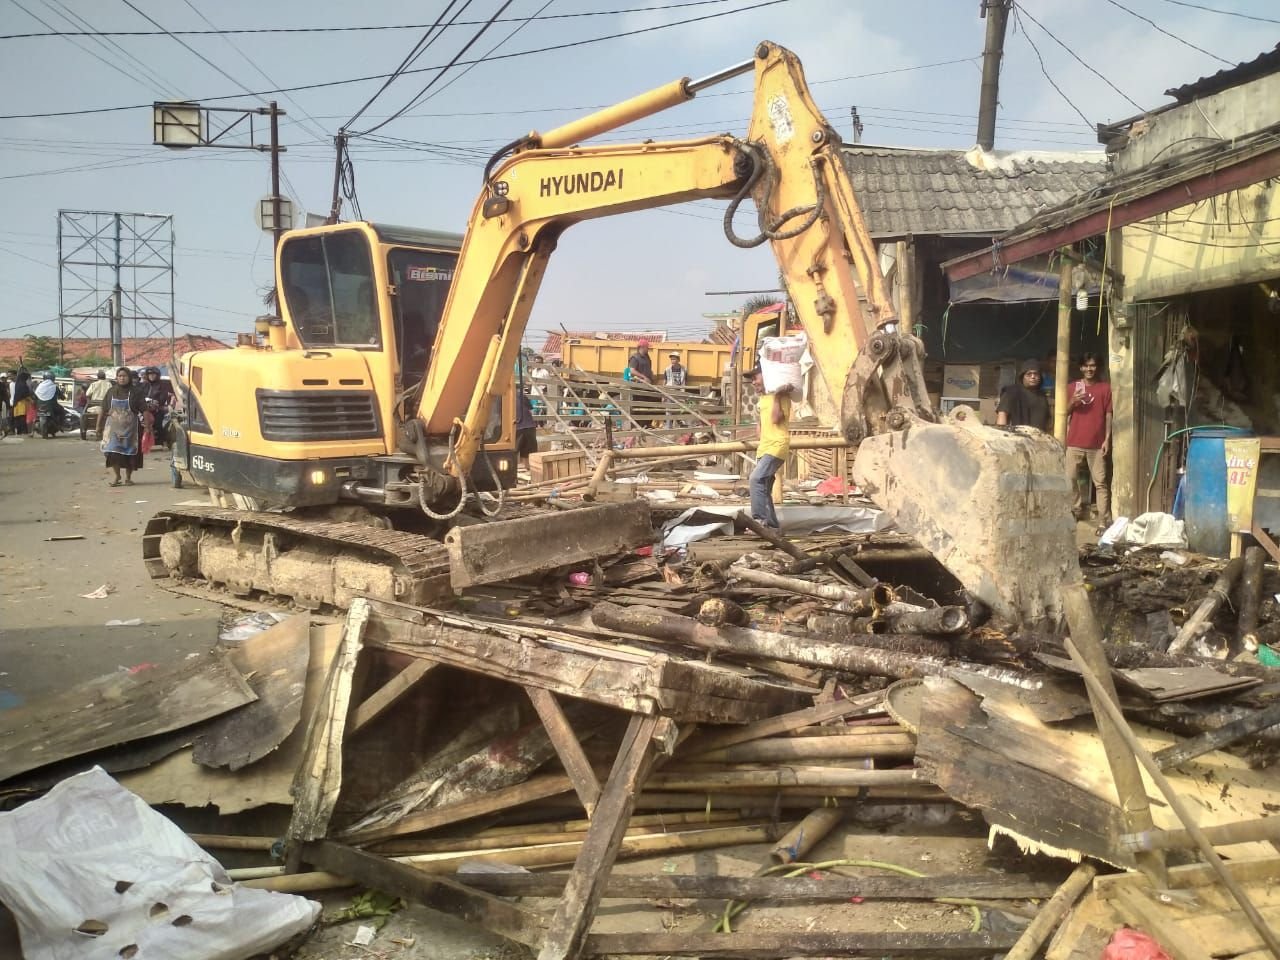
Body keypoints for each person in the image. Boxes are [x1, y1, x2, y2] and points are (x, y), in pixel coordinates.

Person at [1065, 351, 1113, 533]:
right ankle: (1076, 509)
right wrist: (1073, 401)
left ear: (1097, 367)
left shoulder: (1105, 388)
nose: (1089, 369)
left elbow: (1108, 415)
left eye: (1092, 365)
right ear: (1081, 368)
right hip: (1074, 442)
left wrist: (1107, 439)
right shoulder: (1072, 387)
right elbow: (1066, 412)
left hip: (1097, 444)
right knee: (1069, 478)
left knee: (1100, 482)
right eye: (1086, 366)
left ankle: (1103, 520)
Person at [744, 365, 792, 530]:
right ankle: (772, 527)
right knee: (763, 487)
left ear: (767, 376)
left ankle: (759, 521)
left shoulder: (782, 397)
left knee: (755, 479)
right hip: (764, 448)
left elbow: (776, 419)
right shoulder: (762, 399)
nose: (753, 382)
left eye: (755, 378)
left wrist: (778, 395)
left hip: (777, 445)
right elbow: (761, 427)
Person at [101, 366, 145, 486]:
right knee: (112, 452)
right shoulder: (111, 391)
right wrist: (98, 427)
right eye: (120, 376)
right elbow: (103, 409)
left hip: (131, 429)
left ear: (129, 378)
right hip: (113, 430)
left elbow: (144, 409)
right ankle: (117, 476)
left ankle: (128, 478)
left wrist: (149, 426)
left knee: (129, 454)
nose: (122, 378)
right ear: (116, 378)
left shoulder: (136, 392)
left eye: (124, 376)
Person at [996, 359, 1049, 431]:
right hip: (1016, 437)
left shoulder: (1042, 396)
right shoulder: (1011, 392)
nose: (1033, 377)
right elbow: (1002, 414)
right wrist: (1001, 434)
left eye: (1036, 374)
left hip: (1039, 438)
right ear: (1022, 376)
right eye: (1029, 374)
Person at [141, 366, 175, 450]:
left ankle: (163, 441)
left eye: (153, 374)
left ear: (157, 375)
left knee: (159, 424)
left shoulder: (162, 385)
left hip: (158, 408)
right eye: (149, 374)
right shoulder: (144, 385)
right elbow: (139, 395)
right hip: (144, 409)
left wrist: (155, 402)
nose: (151, 376)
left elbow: (163, 397)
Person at [515, 390, 538, 470]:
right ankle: (531, 471)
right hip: (529, 426)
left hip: (516, 426)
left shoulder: (502, 395)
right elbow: (530, 409)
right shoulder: (521, 394)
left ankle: (512, 472)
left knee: (512, 453)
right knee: (529, 453)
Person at [10, 369, 32, 435]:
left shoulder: (18, 384)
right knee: (22, 418)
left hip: (17, 403)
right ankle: (24, 431)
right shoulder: (23, 385)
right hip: (22, 404)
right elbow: (25, 394)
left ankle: (19, 431)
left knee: (18, 418)